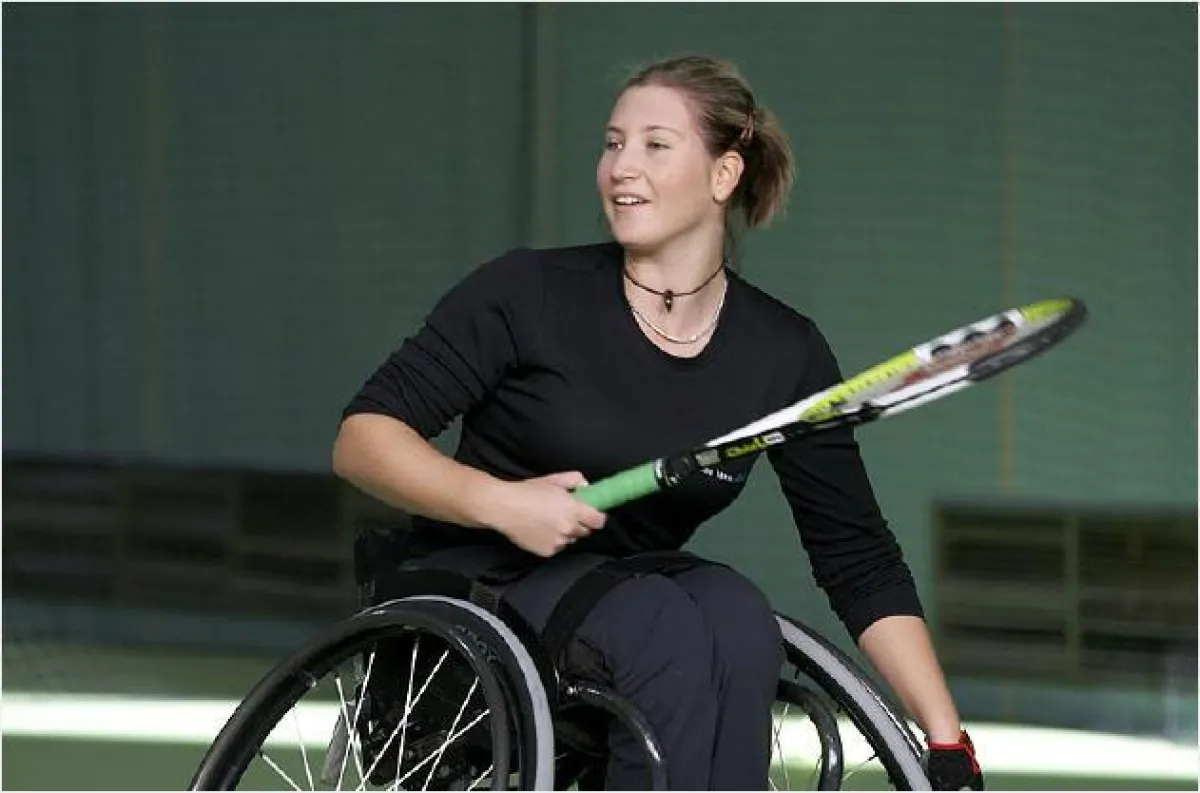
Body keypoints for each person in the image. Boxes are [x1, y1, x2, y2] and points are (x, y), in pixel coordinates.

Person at [333, 54, 984, 791]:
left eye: (654, 144)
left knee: (738, 618)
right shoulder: (529, 292)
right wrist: (502, 502)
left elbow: (857, 557)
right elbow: (364, 437)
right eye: (613, 143)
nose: (621, 167)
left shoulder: (783, 353)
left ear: (723, 175)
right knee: (661, 625)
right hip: (481, 581)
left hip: (628, 588)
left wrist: (944, 736)